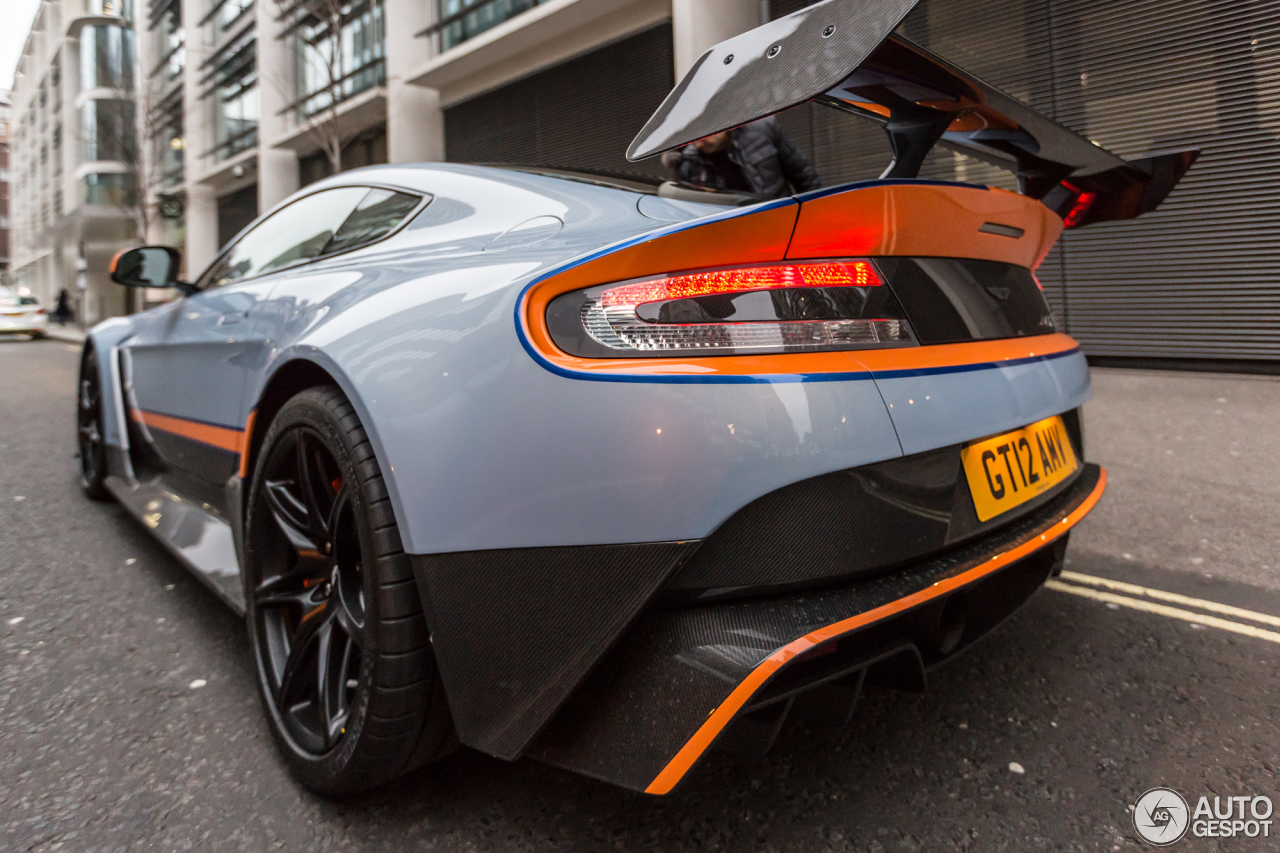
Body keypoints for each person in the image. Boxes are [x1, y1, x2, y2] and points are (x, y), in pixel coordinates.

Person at [662, 117, 821, 199]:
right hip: (731, 239)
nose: (699, 142)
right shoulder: (688, 161)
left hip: (779, 223)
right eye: (693, 137)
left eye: (703, 133)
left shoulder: (763, 129)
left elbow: (804, 178)